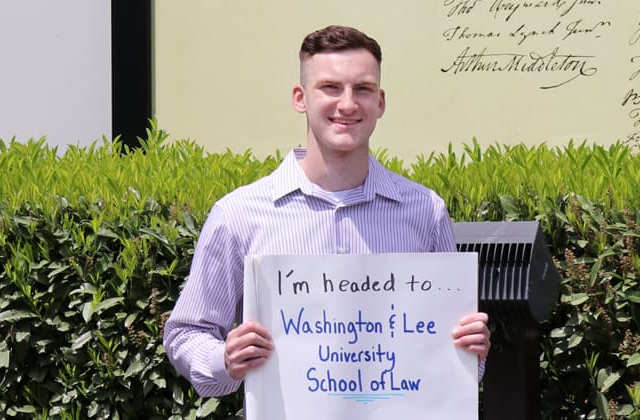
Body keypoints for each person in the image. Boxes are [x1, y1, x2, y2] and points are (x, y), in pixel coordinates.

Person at [163, 25, 490, 397]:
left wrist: (471, 351)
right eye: (330, 88)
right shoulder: (238, 215)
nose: (348, 104)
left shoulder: (425, 212)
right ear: (300, 98)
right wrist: (224, 358)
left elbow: (455, 356)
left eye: (362, 89)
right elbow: (187, 334)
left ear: (380, 102)